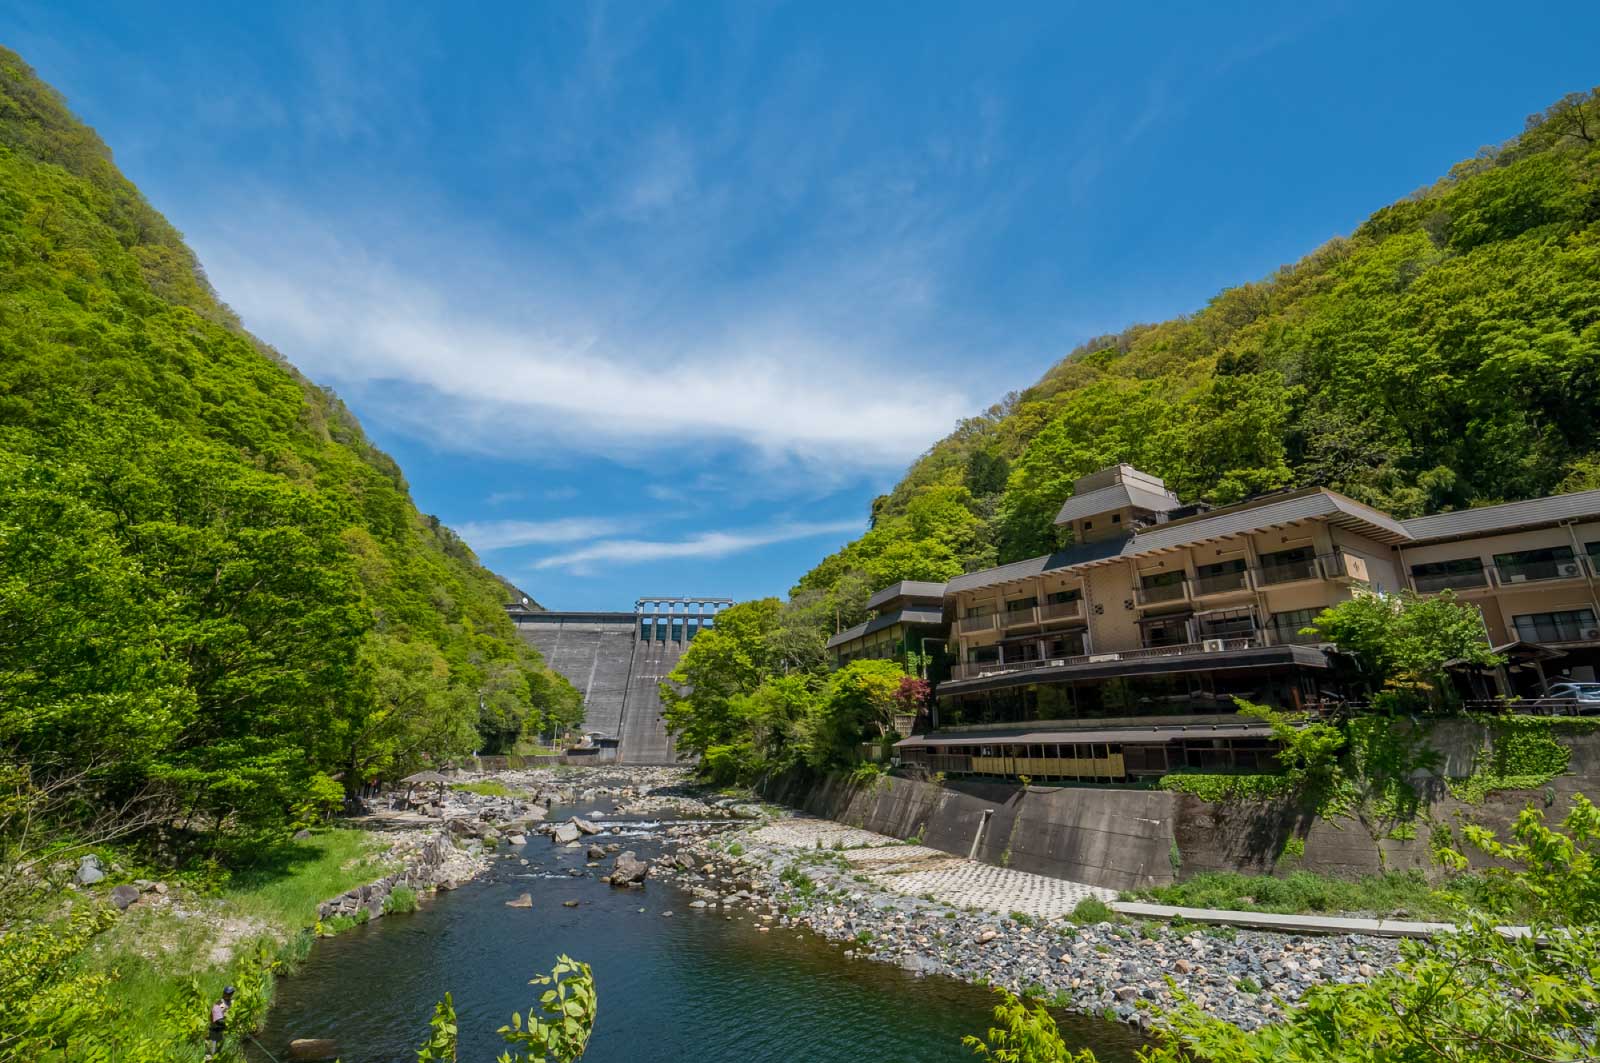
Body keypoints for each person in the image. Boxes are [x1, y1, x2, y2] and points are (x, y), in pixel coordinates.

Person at [204, 986, 234, 1058]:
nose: (227, 995)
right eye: (226, 993)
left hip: (222, 1031)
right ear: (223, 993)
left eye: (229, 994)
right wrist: (227, 1024)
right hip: (215, 1031)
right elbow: (218, 1020)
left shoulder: (231, 1002)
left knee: (220, 1052)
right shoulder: (219, 1005)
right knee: (211, 1053)